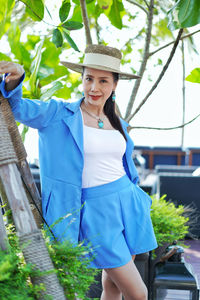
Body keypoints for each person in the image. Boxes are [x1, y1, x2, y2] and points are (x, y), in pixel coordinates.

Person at [0, 44, 157, 300]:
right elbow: (17, 108)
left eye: (103, 81)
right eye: (89, 79)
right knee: (138, 293)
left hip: (128, 203)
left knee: (112, 286)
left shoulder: (117, 121)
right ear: (82, 79)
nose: (94, 88)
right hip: (95, 212)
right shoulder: (57, 114)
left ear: (115, 85)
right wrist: (16, 78)